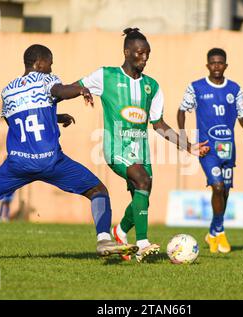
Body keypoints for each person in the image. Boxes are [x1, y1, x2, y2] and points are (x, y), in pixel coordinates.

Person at [0, 44, 138, 262]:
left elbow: (23, 119)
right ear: (39, 63)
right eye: (50, 62)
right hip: (50, 160)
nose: (51, 67)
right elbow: (60, 91)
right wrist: (80, 90)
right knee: (98, 190)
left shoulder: (8, 90)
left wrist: (57, 117)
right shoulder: (45, 79)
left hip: (17, 164)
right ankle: (104, 239)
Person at [73, 28, 209, 262]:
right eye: (139, 53)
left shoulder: (152, 86)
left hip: (141, 149)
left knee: (142, 194)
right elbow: (75, 85)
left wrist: (188, 146)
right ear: (126, 52)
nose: (144, 58)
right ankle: (143, 243)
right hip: (116, 147)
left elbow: (158, 124)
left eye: (147, 54)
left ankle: (121, 231)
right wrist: (78, 91)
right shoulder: (107, 75)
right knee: (142, 181)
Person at [177, 48, 243, 254]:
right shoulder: (196, 87)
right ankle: (219, 232)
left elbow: (242, 114)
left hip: (228, 149)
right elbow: (181, 110)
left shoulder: (235, 89)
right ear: (207, 65)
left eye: (220, 63)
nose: (216, 67)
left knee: (226, 192)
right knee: (218, 186)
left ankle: (213, 232)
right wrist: (183, 135)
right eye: (213, 63)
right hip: (207, 149)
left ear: (226, 65)